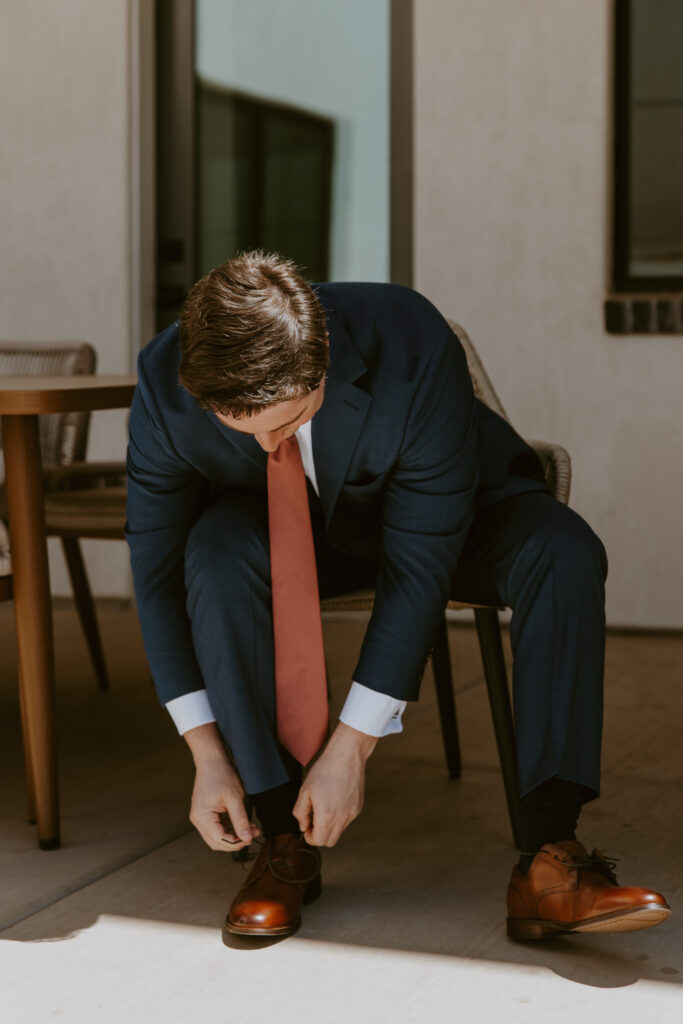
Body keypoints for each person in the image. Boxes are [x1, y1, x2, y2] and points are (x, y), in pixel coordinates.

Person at [126, 251, 670, 941]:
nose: (268, 444)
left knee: (559, 549)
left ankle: (548, 855)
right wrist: (206, 755)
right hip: (292, 537)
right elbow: (155, 571)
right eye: (245, 429)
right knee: (212, 548)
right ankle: (281, 837)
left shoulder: (407, 336)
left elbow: (419, 566)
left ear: (319, 367)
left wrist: (351, 749)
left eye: (286, 423)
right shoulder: (164, 378)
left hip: (448, 516)